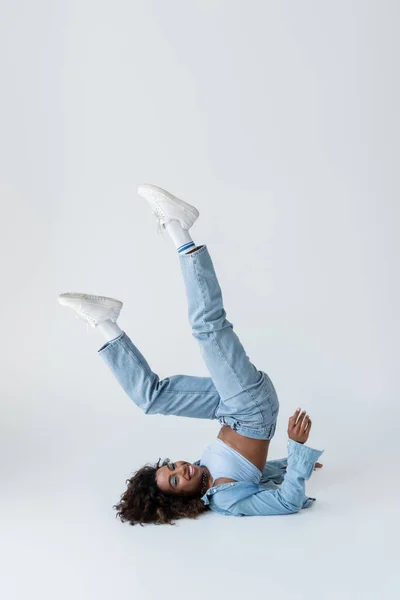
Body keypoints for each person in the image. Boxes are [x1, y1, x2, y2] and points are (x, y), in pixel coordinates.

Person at [58, 184, 324, 527]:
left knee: (150, 398)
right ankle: (177, 227)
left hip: (226, 410)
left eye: (171, 467)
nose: (180, 470)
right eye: (175, 481)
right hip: (251, 411)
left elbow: (256, 469)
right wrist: (298, 452)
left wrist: (288, 464)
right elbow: (286, 501)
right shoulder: (226, 499)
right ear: (181, 501)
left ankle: (106, 325)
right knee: (207, 328)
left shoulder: (205, 477)